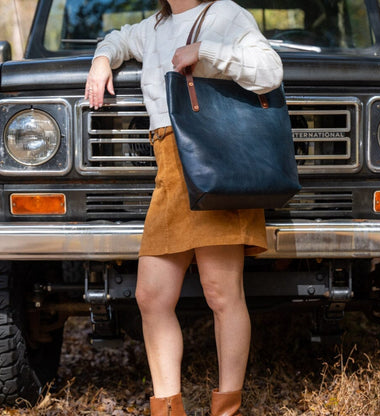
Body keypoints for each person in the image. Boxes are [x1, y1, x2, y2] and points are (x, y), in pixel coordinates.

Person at [85, 0, 283, 414]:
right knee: (151, 296)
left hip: (215, 159)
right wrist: (102, 59)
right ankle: (168, 409)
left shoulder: (226, 13)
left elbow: (270, 72)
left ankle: (226, 409)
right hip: (169, 170)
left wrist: (206, 53)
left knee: (221, 292)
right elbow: (119, 39)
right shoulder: (154, 26)